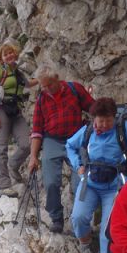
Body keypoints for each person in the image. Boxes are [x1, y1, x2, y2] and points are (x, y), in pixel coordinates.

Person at [66, 98, 127, 253]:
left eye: (109, 120)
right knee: (78, 217)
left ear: (114, 117)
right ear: (94, 118)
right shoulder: (87, 131)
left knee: (108, 228)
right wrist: (78, 164)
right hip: (90, 183)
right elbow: (70, 146)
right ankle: (86, 245)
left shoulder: (125, 129)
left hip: (115, 186)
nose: (105, 124)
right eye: (101, 121)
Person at [28, 65, 95, 233]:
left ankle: (78, 219)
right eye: (43, 86)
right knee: (50, 182)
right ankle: (56, 219)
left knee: (79, 181)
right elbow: (36, 131)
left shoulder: (74, 89)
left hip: (76, 138)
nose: (46, 89)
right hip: (52, 140)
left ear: (57, 78)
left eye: (49, 84)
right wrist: (33, 157)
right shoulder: (42, 99)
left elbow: (93, 109)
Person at [0, 41, 38, 197]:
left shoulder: (18, 71)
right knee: (1, 148)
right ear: (1, 58)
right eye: (5, 54)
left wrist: (43, 78)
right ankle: (3, 185)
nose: (9, 55)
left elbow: (28, 84)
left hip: (15, 110)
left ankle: (13, 165)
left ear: (15, 54)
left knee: (27, 143)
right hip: (1, 109)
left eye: (11, 53)